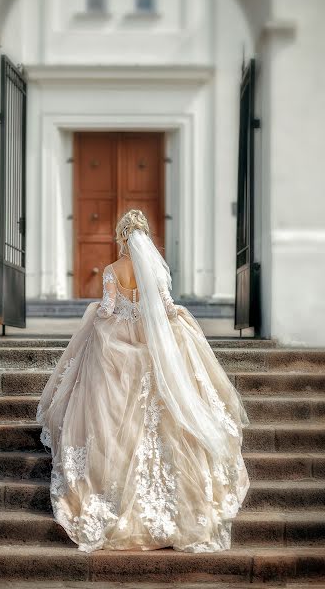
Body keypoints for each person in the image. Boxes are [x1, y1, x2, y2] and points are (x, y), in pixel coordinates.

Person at [36, 209, 250, 553]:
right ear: (145, 236)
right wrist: (173, 315)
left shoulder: (112, 270)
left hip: (117, 346)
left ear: (121, 237)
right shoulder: (154, 269)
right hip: (149, 344)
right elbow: (166, 307)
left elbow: (106, 309)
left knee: (112, 405)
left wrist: (101, 311)